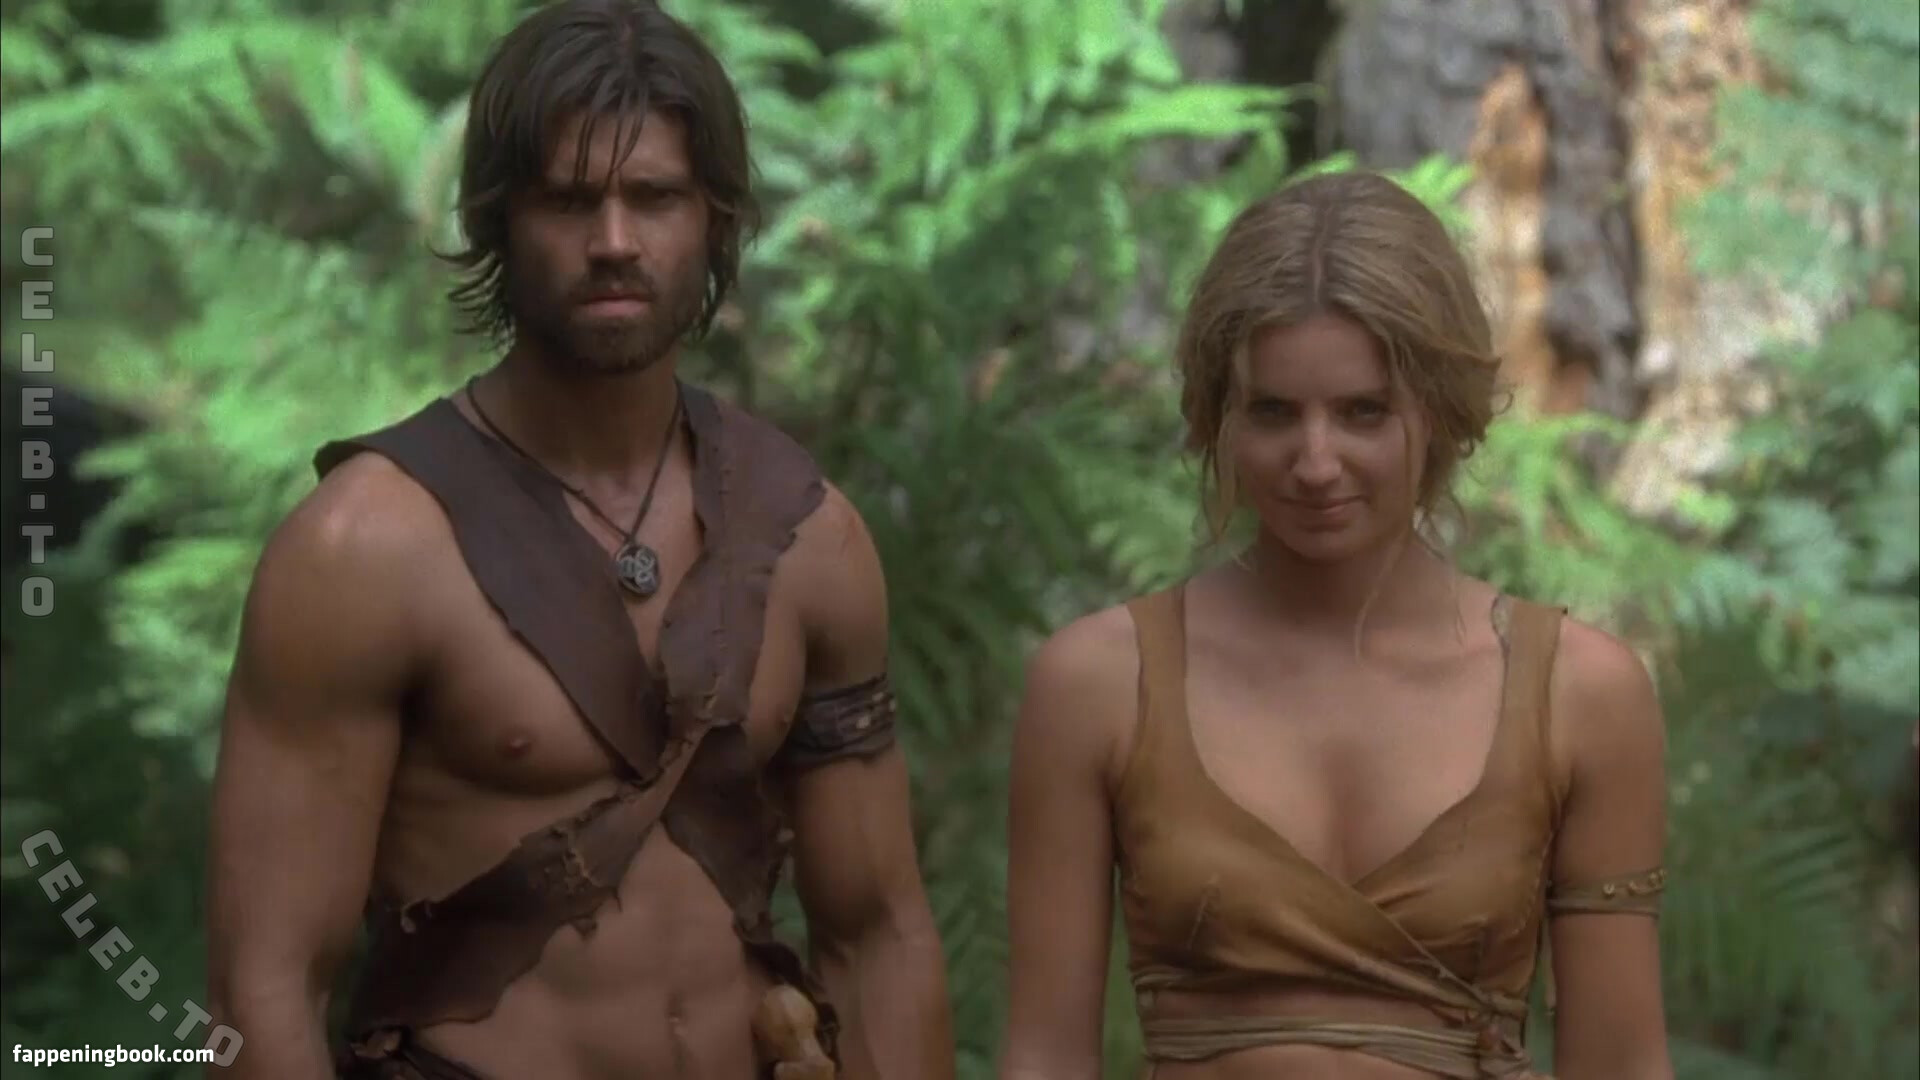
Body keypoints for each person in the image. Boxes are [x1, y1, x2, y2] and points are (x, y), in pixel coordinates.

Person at [203, 3, 954, 1078]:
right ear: (498, 220)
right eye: (567, 200)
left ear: (715, 219)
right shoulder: (363, 552)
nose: (613, 243)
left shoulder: (808, 538)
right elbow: (265, 986)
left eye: (654, 197)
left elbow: (879, 935)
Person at [999, 171, 1674, 1080]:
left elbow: (1622, 1062)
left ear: (1439, 411)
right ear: (1219, 415)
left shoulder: (1578, 694)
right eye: (1275, 412)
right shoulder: (1100, 684)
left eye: (1363, 412)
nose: (1316, 463)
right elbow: (1044, 1054)